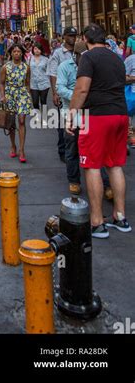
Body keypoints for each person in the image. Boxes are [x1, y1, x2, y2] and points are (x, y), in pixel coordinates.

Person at [67, 23, 131, 238]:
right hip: (120, 115)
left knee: (92, 165)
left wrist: (71, 114)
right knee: (115, 165)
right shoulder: (116, 57)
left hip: (96, 117)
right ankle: (120, 217)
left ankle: (96, 222)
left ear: (86, 38)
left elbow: (82, 88)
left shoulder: (88, 57)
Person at [57, 40, 112, 198]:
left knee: (97, 149)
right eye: (85, 56)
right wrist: (77, 96)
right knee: (72, 148)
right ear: (76, 55)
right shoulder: (65, 67)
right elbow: (60, 88)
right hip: (71, 113)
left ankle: (106, 184)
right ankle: (74, 180)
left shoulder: (94, 66)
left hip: (92, 113)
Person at [47, 26, 77, 162]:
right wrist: (55, 93)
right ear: (64, 37)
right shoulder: (58, 53)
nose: (72, 38)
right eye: (70, 35)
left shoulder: (79, 51)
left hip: (78, 94)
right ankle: (63, 150)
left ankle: (76, 149)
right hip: (63, 93)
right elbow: (52, 73)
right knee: (62, 124)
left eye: (74, 36)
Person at [0, 44, 33, 162]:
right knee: (11, 122)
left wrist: (28, 95)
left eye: (19, 52)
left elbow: (28, 82)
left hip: (22, 94)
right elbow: (2, 83)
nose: (17, 53)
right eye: (14, 51)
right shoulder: (5, 67)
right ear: (11, 53)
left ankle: (22, 149)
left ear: (22, 53)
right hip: (10, 94)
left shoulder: (26, 67)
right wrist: (3, 96)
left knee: (22, 121)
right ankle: (13, 145)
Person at [29, 43, 50, 123]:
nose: (37, 50)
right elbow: (28, 71)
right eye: (35, 49)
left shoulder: (46, 59)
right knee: (35, 101)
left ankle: (44, 117)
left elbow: (48, 71)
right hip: (33, 83)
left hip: (44, 82)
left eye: (38, 49)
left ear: (41, 50)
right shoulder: (30, 59)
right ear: (33, 50)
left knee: (43, 100)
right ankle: (37, 115)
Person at [124, 50, 135, 148]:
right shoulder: (130, 59)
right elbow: (122, 77)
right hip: (132, 95)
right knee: (128, 120)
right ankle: (126, 143)